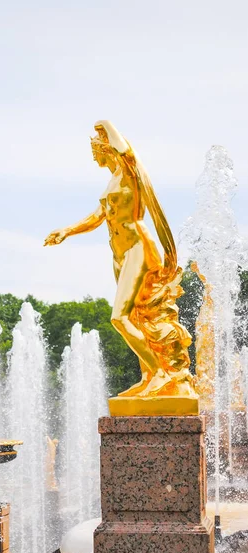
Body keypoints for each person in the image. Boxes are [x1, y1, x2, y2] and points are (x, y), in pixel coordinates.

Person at [45, 120, 196, 400]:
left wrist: (106, 124)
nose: (94, 157)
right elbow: (98, 217)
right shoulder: (111, 181)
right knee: (137, 319)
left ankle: (161, 373)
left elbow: (126, 151)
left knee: (120, 317)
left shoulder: (129, 171)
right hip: (120, 253)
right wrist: (67, 230)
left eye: (96, 151)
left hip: (139, 247)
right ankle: (150, 376)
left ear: (106, 148)